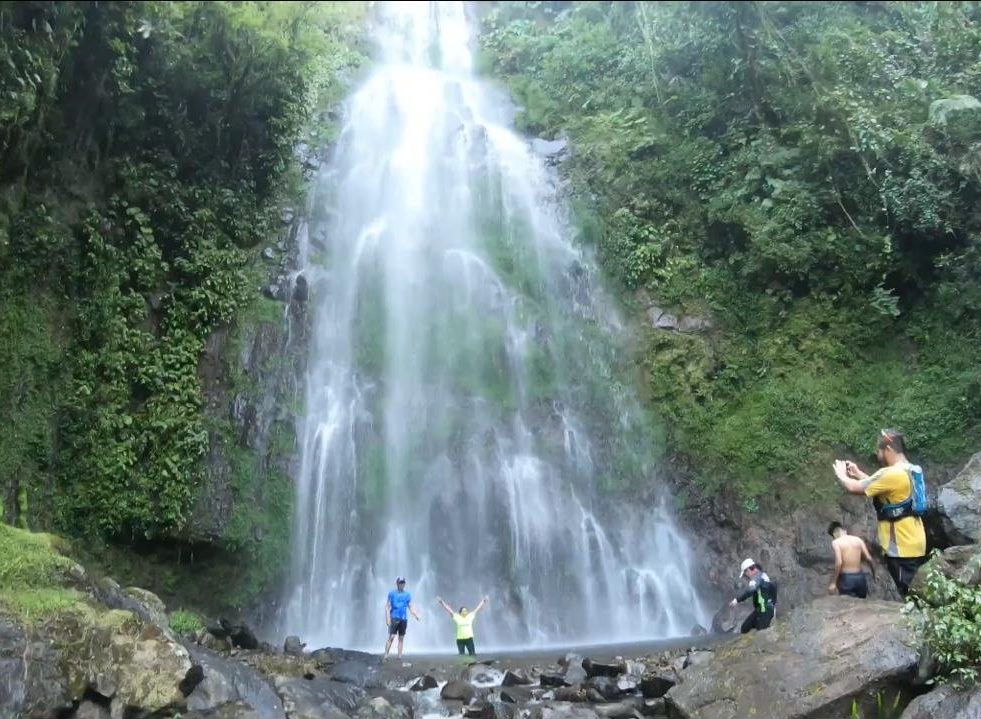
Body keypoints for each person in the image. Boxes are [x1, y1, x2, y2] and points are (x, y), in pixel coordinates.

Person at [832, 429, 927, 596]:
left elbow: (854, 488)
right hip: (915, 541)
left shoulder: (891, 473)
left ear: (889, 449)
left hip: (901, 548)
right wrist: (858, 473)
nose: (878, 455)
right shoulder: (910, 469)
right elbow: (885, 488)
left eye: (879, 451)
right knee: (916, 590)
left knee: (911, 594)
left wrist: (841, 475)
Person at [827, 521, 877, 598]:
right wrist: (874, 574)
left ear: (834, 534)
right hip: (860, 578)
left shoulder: (836, 542)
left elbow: (839, 562)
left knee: (848, 606)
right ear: (844, 530)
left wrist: (833, 582)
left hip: (846, 579)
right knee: (862, 604)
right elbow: (869, 558)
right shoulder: (858, 540)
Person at [729, 558, 777, 633]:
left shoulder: (756, 578)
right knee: (744, 628)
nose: (746, 576)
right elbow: (773, 589)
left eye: (745, 574)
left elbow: (750, 591)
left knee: (762, 633)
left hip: (764, 610)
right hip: (762, 609)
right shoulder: (763, 575)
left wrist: (737, 600)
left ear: (748, 570)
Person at [384, 577, 421, 660]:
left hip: (403, 618)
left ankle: (399, 656)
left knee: (401, 638)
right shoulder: (391, 593)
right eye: (400, 582)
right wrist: (387, 618)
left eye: (403, 582)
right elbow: (387, 606)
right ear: (397, 583)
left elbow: (410, 606)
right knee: (391, 637)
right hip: (394, 617)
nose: (401, 584)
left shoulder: (407, 595)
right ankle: (386, 655)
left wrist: (416, 615)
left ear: (404, 584)